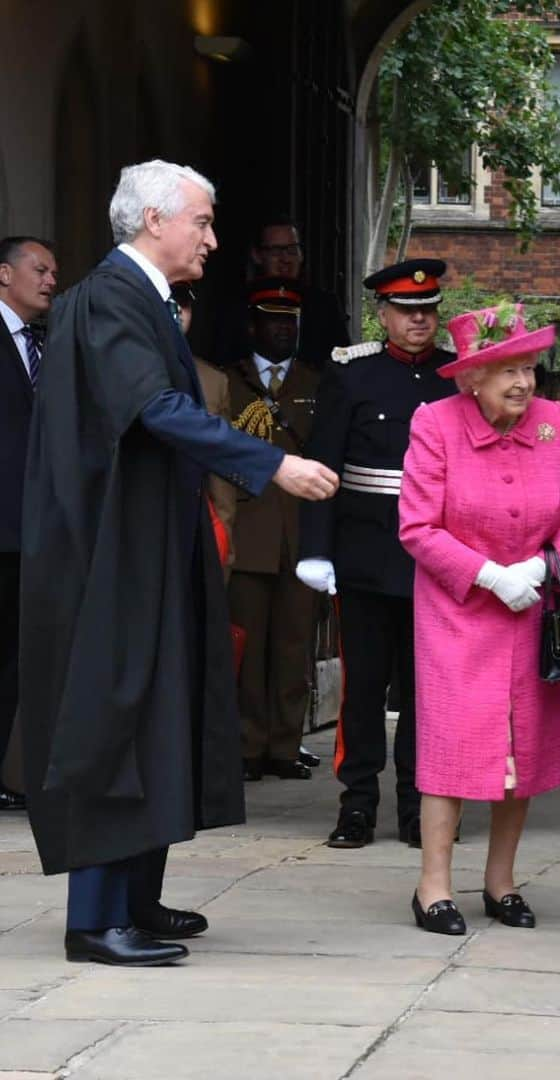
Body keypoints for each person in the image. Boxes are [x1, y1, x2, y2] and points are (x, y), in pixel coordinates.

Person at [20, 159, 339, 968]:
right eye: (201, 222)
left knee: (161, 713)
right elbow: (154, 410)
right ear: (154, 221)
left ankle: (136, 897)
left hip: (151, 541)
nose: (213, 239)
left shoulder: (142, 300)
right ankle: (94, 919)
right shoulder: (109, 299)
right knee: (110, 717)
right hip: (109, 554)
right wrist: (271, 465)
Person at [398, 303, 560, 934]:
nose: (523, 384)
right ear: (470, 377)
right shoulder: (436, 425)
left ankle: (501, 882)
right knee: (452, 746)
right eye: (507, 369)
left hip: (531, 610)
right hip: (458, 614)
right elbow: (418, 526)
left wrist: (538, 571)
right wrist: (488, 575)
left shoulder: (552, 423)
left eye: (529, 368)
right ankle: (433, 888)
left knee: (523, 747)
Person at [298, 258, 457, 849]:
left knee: (426, 693)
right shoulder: (351, 375)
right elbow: (322, 464)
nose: (419, 320)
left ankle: (419, 808)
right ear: (383, 315)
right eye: (406, 311)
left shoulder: (454, 376)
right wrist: (317, 549)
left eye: (427, 310)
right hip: (365, 556)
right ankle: (357, 805)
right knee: (363, 690)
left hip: (437, 562)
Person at [227, 280, 321, 782]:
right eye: (273, 320)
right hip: (248, 533)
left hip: (299, 535)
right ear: (253, 325)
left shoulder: (314, 382)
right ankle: (248, 744)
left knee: (292, 647)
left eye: (291, 322)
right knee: (248, 647)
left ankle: (287, 745)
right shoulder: (231, 381)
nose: (283, 329)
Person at [0, 236, 57, 812]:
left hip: (30, 533)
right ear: (3, 274)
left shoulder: (42, 343)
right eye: (39, 270)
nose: (49, 280)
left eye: (54, 272)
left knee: (18, 661)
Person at [214, 215, 349, 371]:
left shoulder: (324, 305)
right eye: (276, 251)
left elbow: (342, 363)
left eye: (292, 250)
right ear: (257, 255)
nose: (285, 259)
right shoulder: (236, 306)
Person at [173, 283, 237, 569]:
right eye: (167, 302)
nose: (177, 312)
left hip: (194, 523)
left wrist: (223, 540)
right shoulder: (116, 367)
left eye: (183, 304)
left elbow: (221, 473)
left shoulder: (213, 380)